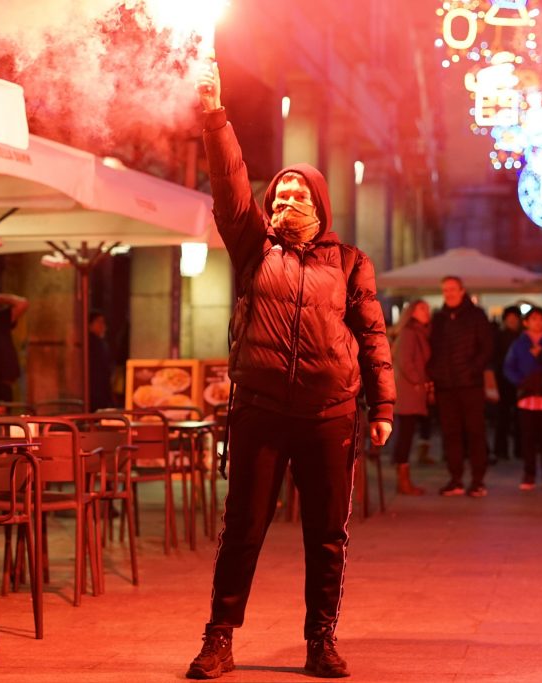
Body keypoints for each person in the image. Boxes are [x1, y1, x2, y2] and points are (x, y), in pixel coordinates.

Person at [187, 62, 395, 680]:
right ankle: (218, 639)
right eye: (279, 193)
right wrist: (214, 117)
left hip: (330, 415)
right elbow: (229, 184)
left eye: (297, 193)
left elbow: (372, 334)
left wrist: (382, 406)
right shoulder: (254, 248)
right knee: (242, 529)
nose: (285, 200)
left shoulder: (351, 261)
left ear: (319, 203)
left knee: (327, 535)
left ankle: (320, 641)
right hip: (261, 411)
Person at [427, 275, 493, 497]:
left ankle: (478, 480)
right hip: (446, 386)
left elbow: (487, 348)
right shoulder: (439, 318)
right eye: (445, 289)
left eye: (452, 289)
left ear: (462, 290)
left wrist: (473, 369)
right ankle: (455, 479)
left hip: (470, 385)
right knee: (451, 433)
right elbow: (432, 349)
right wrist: (435, 373)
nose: (449, 293)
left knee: (475, 433)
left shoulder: (476, 315)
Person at [503, 307, 542, 490]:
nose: (537, 322)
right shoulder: (519, 343)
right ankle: (529, 473)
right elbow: (508, 367)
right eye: (533, 319)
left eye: (541, 319)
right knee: (528, 438)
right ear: (526, 322)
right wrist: (521, 382)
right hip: (526, 397)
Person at [391, 300, 432, 494]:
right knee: (405, 435)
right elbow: (405, 361)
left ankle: (404, 478)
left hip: (412, 389)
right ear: (412, 312)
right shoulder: (409, 332)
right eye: (422, 308)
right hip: (409, 391)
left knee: (406, 433)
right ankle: (403, 481)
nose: (427, 312)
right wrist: (418, 381)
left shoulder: (419, 332)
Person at [491, 305, 522, 463]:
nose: (512, 321)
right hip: (502, 381)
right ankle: (501, 449)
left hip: (518, 382)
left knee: (519, 418)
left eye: (515, 319)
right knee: (502, 417)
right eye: (510, 319)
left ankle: (519, 449)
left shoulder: (522, 337)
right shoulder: (499, 336)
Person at [88, 310, 115, 411]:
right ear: (89, 325)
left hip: (99, 389)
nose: (103, 326)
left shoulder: (99, 343)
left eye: (103, 322)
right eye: (99, 322)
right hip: (96, 390)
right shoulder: (93, 343)